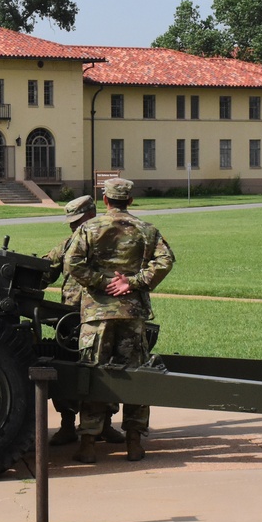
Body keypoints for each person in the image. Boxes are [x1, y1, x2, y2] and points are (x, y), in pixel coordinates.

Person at [64, 177, 174, 463]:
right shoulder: (146, 230)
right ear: (130, 201)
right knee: (135, 377)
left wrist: (101, 282)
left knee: (93, 375)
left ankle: (88, 443)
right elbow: (165, 260)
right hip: (131, 313)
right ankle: (134, 443)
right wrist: (133, 283)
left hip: (96, 315)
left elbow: (72, 262)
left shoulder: (89, 228)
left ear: (105, 200)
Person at [41, 195, 125, 446]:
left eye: (77, 221)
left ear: (91, 214)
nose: (73, 226)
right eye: (71, 222)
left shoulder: (110, 243)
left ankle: (104, 424)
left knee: (106, 369)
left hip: (102, 315)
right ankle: (67, 424)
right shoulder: (68, 245)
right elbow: (46, 269)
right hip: (71, 317)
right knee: (66, 366)